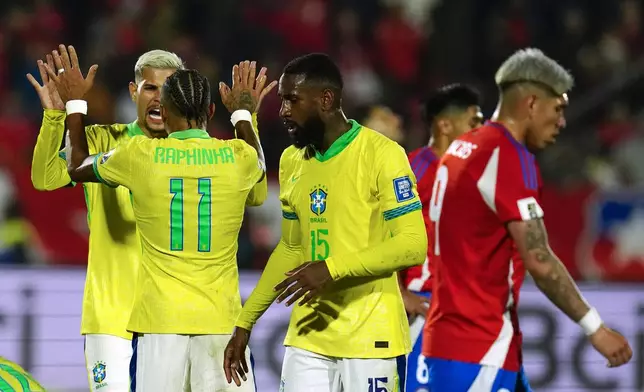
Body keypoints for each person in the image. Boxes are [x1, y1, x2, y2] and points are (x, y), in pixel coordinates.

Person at [27, 47, 269, 391]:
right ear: (133, 92)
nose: (159, 97)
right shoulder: (103, 139)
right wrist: (54, 116)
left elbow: (256, 195)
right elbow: (45, 178)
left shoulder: (150, 153)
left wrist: (72, 110)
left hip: (162, 319)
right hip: (113, 319)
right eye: (151, 88)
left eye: (169, 88)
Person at [422, 48, 633, 391]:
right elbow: (540, 261)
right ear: (532, 104)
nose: (562, 121)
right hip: (480, 347)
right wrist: (595, 327)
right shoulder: (507, 157)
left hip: (450, 339)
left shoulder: (461, 149)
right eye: (558, 108)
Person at [223, 53, 428, 392]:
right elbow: (290, 248)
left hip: (370, 338)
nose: (284, 111)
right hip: (308, 336)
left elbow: (411, 244)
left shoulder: (382, 154)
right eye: (282, 100)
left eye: (292, 100)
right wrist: (245, 324)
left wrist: (331, 268)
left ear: (326, 100)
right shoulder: (293, 161)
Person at [399, 83, 483, 391]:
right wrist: (399, 292)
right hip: (423, 304)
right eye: (473, 122)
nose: (480, 130)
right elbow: (379, 232)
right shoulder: (412, 168)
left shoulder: (475, 176)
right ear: (445, 124)